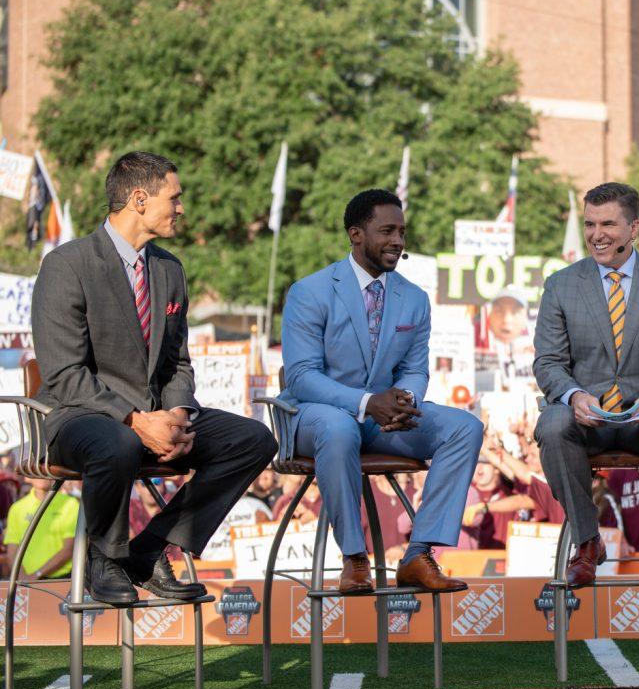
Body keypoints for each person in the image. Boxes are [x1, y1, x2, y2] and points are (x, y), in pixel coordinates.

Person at [31, 151, 277, 605]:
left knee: (254, 439)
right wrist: (137, 422)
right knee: (118, 443)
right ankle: (104, 558)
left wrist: (179, 415)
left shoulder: (169, 269)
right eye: (175, 197)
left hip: (154, 416)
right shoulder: (66, 264)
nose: (182, 208)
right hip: (78, 418)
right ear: (139, 199)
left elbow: (177, 363)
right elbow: (65, 374)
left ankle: (148, 549)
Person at [281, 188, 484, 594]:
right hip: (313, 415)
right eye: (386, 230)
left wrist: (404, 401)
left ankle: (418, 555)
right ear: (356, 234)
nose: (397, 240)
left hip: (381, 420)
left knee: (465, 427)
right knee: (338, 428)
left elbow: (414, 370)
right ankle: (355, 558)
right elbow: (301, 376)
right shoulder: (310, 291)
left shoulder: (414, 298)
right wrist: (367, 402)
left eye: (402, 232)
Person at [533, 182, 639, 590]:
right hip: (585, 421)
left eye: (608, 223)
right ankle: (588, 541)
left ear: (634, 228)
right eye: (590, 224)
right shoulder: (561, 284)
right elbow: (548, 363)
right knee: (553, 424)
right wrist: (574, 395)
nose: (597, 234)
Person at [3, 479, 78, 581]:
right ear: (27, 476)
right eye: (38, 466)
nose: (42, 475)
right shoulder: (17, 508)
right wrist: (21, 576)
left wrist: (36, 574)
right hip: (26, 581)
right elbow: (12, 548)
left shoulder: (71, 504)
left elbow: (70, 548)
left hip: (61, 580)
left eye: (45, 466)